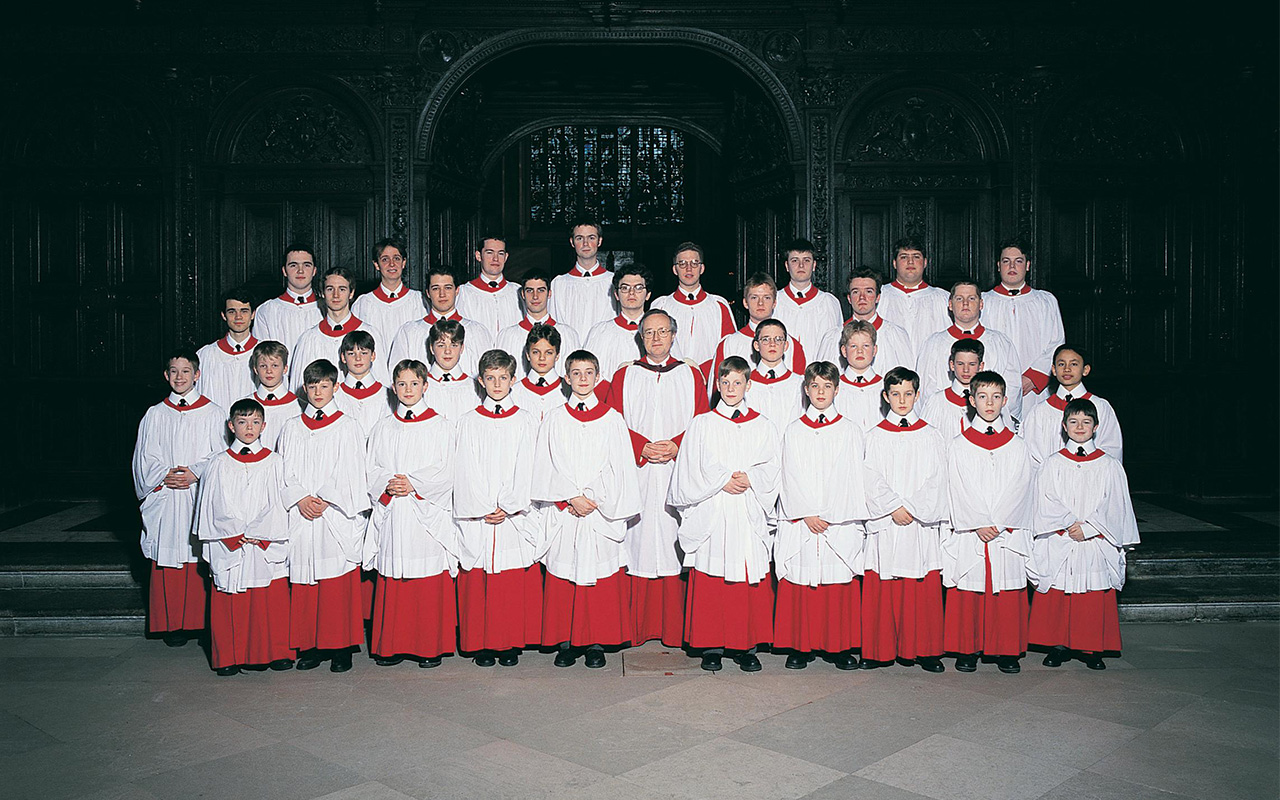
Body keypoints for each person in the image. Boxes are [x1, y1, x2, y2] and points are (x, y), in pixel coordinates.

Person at [669, 356, 781, 672]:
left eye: (738, 382)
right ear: (717, 385)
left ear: (748, 385)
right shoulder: (702, 424)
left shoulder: (762, 425)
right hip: (713, 509)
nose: (731, 388)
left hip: (746, 508)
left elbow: (771, 466)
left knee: (744, 572)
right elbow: (691, 467)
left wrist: (751, 478)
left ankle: (744, 646)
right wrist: (722, 480)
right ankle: (711, 646)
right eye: (725, 382)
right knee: (712, 574)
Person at [532, 350, 642, 669]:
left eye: (588, 372)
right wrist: (569, 497)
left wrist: (593, 498)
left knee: (598, 576)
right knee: (565, 574)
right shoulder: (554, 418)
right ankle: (566, 642)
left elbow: (620, 467)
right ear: (566, 378)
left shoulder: (612, 418)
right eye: (576, 373)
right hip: (565, 510)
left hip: (599, 509)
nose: (582, 378)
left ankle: (596, 642)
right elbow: (544, 465)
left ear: (598, 376)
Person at [608, 310, 709, 648]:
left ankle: (674, 630)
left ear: (673, 335)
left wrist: (677, 445)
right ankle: (634, 629)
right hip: (637, 470)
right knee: (637, 542)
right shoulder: (625, 375)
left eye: (662, 332)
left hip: (676, 472)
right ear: (640, 337)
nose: (655, 338)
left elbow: (704, 423)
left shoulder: (689, 375)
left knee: (672, 542)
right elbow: (612, 424)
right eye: (649, 332)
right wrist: (641, 445)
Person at [1029, 398, 1140, 670]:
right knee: (1060, 591)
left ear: (1096, 427)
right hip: (1062, 537)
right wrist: (1069, 523)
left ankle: (1091, 647)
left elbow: (1116, 505)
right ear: (1064, 426)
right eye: (1074, 422)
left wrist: (1089, 528)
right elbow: (1044, 500)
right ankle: (1058, 645)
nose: (1080, 427)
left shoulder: (1110, 465)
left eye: (1086, 422)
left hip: (1095, 541)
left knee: (1091, 593)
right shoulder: (1052, 464)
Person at [363, 359, 458, 669]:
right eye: (401, 384)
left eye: (414, 383)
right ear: (393, 387)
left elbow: (447, 469)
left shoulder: (440, 425)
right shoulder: (382, 427)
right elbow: (370, 467)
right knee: (394, 574)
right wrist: (389, 484)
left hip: (424, 511)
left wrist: (413, 484)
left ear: (425, 385)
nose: (407, 389)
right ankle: (392, 644)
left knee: (426, 576)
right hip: (394, 510)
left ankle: (428, 646)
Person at [774, 361, 869, 670]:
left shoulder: (850, 429)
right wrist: (807, 513)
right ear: (806, 389)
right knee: (803, 581)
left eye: (827, 386)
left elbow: (851, 475)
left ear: (837, 390)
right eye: (815, 386)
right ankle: (800, 646)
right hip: (803, 520)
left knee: (835, 582)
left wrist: (831, 514)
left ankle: (838, 646)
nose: (820, 392)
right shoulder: (794, 429)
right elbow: (790, 474)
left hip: (837, 522)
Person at [278, 359, 369, 673]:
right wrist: (300, 497)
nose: (318, 392)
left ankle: (341, 647)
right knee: (306, 580)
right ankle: (311, 645)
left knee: (336, 582)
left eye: (324, 385)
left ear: (336, 386)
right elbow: (284, 471)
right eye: (312, 386)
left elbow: (353, 471)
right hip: (302, 513)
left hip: (334, 513)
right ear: (304, 388)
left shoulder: (348, 425)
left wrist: (327, 499)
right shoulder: (291, 427)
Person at [454, 349, 543, 667]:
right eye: (489, 378)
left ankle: (507, 643)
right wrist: (481, 505)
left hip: (511, 513)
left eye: (502, 378)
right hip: (479, 513)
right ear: (480, 381)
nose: (496, 383)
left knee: (508, 580)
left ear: (513, 380)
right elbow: (465, 467)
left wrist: (508, 504)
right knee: (479, 578)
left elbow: (528, 465)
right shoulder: (468, 421)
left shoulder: (525, 420)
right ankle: (481, 644)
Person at [132, 350, 225, 647]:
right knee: (169, 554)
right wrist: (163, 475)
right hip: (167, 495)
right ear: (166, 376)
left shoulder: (214, 413)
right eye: (174, 371)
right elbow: (144, 458)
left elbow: (221, 456)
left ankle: (199, 622)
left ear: (197, 375)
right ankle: (171, 624)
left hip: (196, 493)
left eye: (186, 371)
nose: (180, 377)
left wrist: (195, 473)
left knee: (197, 554)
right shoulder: (155, 414)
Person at [942, 371, 1034, 674]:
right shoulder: (959, 444)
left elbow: (1021, 486)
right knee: (970, 586)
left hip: (1005, 530)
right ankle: (967, 649)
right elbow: (958, 485)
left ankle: (1006, 650)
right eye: (982, 396)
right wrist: (978, 521)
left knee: (1005, 588)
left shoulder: (1018, 445)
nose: (989, 403)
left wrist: (1001, 522)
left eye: (996, 397)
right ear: (971, 400)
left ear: (1006, 400)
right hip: (973, 530)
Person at [194, 399, 293, 676]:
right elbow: (212, 505)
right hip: (231, 542)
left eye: (254, 422)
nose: (248, 428)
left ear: (264, 425)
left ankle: (275, 652)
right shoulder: (217, 463)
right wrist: (235, 532)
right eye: (242, 422)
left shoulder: (275, 462)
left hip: (264, 542)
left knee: (270, 599)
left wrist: (259, 532)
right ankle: (228, 655)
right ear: (231, 425)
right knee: (229, 596)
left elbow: (278, 503)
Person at [860, 367, 948, 672]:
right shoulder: (874, 436)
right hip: (887, 522)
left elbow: (938, 478)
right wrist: (893, 506)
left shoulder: (931, 435)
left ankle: (925, 650)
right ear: (885, 397)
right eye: (895, 394)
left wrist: (912, 508)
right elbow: (869, 477)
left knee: (920, 584)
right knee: (884, 583)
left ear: (917, 395)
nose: (902, 400)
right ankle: (877, 650)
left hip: (918, 523)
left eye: (908, 393)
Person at [914, 281, 1023, 423]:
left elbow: (1012, 386)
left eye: (971, 298)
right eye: (959, 299)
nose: (965, 304)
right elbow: (925, 389)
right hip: (945, 420)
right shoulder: (934, 343)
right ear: (950, 305)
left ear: (981, 304)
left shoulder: (1000, 342)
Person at [981, 239, 1064, 406]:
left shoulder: (1045, 301)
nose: (1012, 267)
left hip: (1034, 389)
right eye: (1006, 261)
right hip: (994, 387)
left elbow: (1056, 343)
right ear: (998, 266)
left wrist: (1033, 377)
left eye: (1018, 261)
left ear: (1027, 265)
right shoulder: (984, 301)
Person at [1022, 345, 1123, 466]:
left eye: (1074, 364)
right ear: (1053, 370)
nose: (1067, 369)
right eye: (1061, 364)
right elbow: (1032, 456)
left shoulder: (1101, 406)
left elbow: (1111, 449)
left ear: (1085, 370)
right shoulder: (1039, 412)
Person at [289, 267, 386, 392]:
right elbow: (298, 389)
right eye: (330, 289)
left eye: (342, 289)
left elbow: (382, 383)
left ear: (351, 293)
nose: (336, 295)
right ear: (322, 293)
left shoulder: (370, 333)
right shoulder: (309, 338)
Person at [388, 264, 493, 379]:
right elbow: (398, 375)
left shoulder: (477, 331)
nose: (442, 294)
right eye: (436, 288)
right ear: (428, 293)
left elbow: (488, 374)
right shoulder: (409, 332)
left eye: (447, 287)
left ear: (457, 290)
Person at [650, 242, 736, 373]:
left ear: (702, 268)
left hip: (710, 379)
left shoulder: (718, 305)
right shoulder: (661, 305)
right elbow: (653, 347)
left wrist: (705, 373)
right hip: (670, 377)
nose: (689, 268)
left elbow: (729, 349)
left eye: (694, 263)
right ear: (675, 269)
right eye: (682, 263)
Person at [709, 272, 807, 386]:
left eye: (766, 297)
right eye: (754, 297)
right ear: (745, 302)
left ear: (775, 302)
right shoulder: (729, 344)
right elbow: (717, 390)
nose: (760, 303)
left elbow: (800, 391)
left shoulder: (791, 345)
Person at [815, 268, 914, 374]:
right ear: (849, 298)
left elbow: (908, 380)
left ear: (878, 297)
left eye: (869, 291)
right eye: (856, 292)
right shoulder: (833, 337)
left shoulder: (896, 335)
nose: (862, 297)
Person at [495, 269, 582, 377]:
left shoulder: (568, 334)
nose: (535, 296)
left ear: (549, 293)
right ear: (522, 294)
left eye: (541, 290)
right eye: (529, 290)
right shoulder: (507, 336)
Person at [876, 237, 950, 354]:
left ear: (925, 262)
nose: (910, 262)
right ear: (894, 263)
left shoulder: (943, 298)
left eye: (916, 257)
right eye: (904, 257)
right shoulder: (879, 295)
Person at [583, 264, 656, 381]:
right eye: (625, 288)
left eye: (638, 287)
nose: (631, 293)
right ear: (616, 294)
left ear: (648, 294)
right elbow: (587, 373)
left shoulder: (661, 331)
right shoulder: (600, 332)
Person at [771, 237, 843, 353]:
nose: (801, 265)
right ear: (786, 266)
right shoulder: (775, 301)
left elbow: (835, 346)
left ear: (814, 265)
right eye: (795, 260)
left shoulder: (828, 303)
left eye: (806, 260)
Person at [549, 217, 615, 335]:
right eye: (579, 238)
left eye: (591, 238)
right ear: (572, 242)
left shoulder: (613, 281)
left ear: (599, 241)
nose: (585, 243)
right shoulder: (558, 283)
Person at [196, 288, 259, 411]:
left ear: (253, 314)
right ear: (223, 315)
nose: (238, 317)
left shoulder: (265, 353)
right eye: (232, 311)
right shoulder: (206, 354)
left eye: (244, 311)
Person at [351, 236, 426, 340]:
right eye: (385, 259)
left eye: (396, 258)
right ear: (376, 265)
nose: (392, 264)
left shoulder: (419, 301)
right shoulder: (363, 303)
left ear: (403, 263)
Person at [917, 339, 996, 436]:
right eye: (960, 364)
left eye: (972, 364)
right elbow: (925, 437)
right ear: (952, 365)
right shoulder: (937, 401)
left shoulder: (992, 401)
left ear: (980, 366)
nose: (966, 370)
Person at [252, 244, 321, 355]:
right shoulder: (267, 310)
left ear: (314, 271)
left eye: (306, 265)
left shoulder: (328, 309)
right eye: (293, 265)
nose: (300, 271)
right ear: (284, 271)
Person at [456, 234, 522, 336]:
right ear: (478, 256)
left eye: (500, 253)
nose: (495, 258)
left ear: (506, 257)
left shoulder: (517, 292)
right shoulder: (464, 293)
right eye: (489, 253)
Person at [747, 319, 805, 428]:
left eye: (778, 339)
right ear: (756, 345)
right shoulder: (746, 383)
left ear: (786, 345)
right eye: (765, 339)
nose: (772, 344)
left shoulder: (799, 383)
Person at [333, 330, 392, 439]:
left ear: (373, 356)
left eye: (364, 353)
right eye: (351, 354)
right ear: (343, 358)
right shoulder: (335, 395)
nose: (358, 358)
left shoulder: (387, 395)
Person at [508, 323, 571, 421]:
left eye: (549, 353)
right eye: (536, 352)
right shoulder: (514, 391)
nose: (542, 358)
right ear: (528, 355)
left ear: (557, 355)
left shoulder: (569, 390)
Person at [423, 319, 483, 421]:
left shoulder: (474, 387)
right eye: (441, 345)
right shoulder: (421, 386)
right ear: (432, 349)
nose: (447, 351)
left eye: (454, 345)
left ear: (462, 348)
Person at [832, 320, 886, 432]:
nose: (860, 351)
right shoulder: (834, 387)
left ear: (874, 350)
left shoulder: (885, 386)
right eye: (853, 346)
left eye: (866, 346)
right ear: (844, 351)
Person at [248, 340, 301, 451]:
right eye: (263, 366)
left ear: (285, 369)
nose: (269, 371)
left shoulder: (298, 406)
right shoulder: (245, 403)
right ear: (255, 369)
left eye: (275, 365)